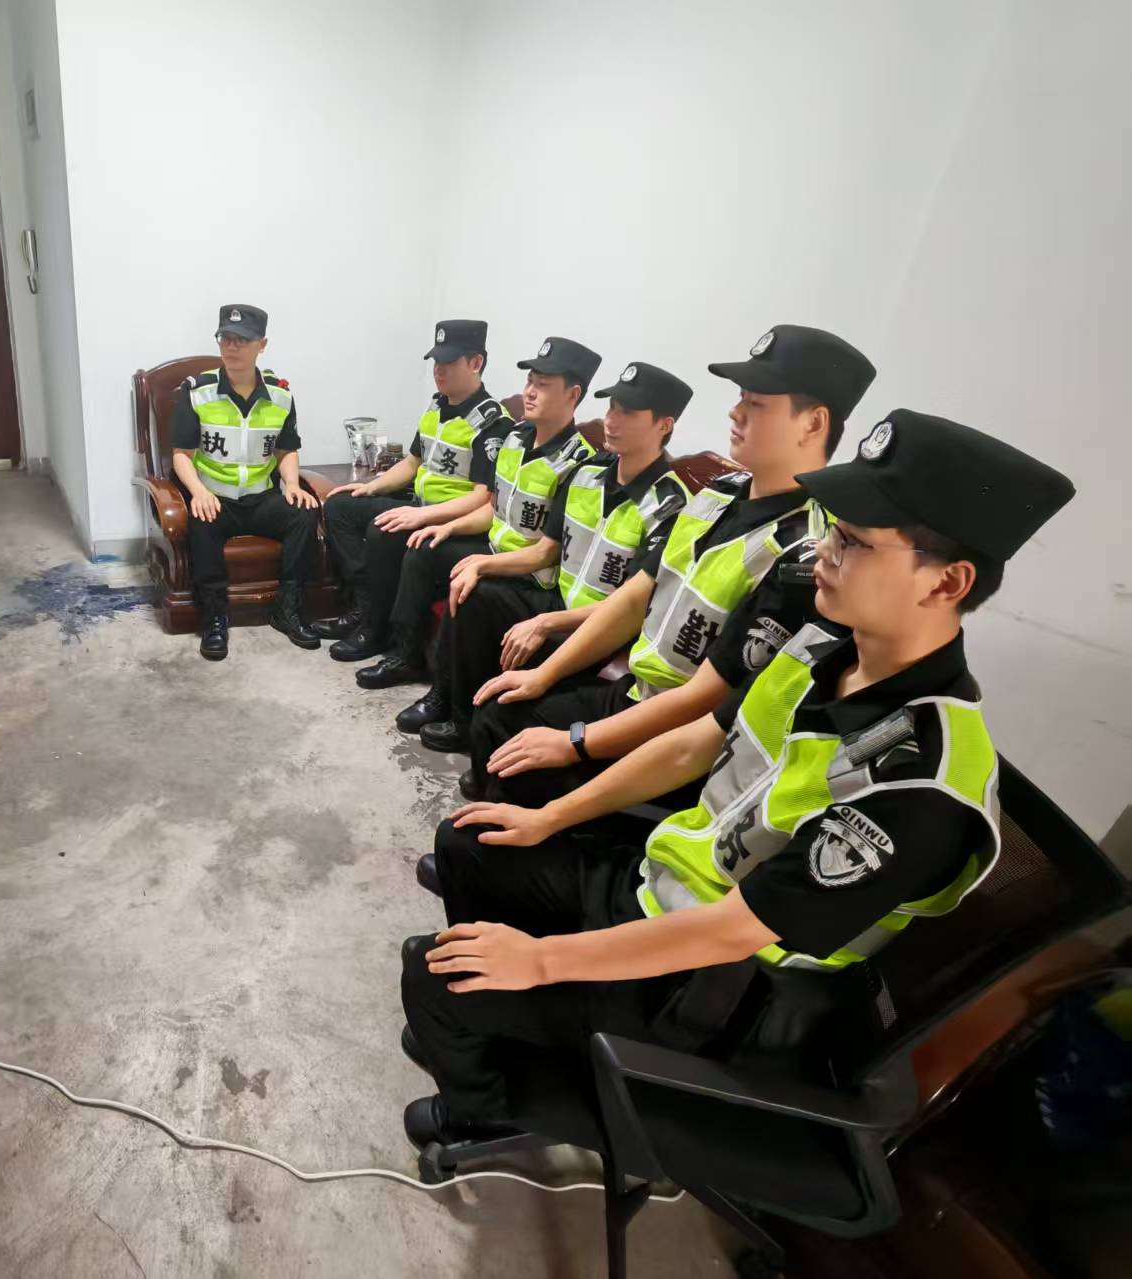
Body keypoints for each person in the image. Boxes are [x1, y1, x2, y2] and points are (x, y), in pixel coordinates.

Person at [398, 409, 1076, 1146]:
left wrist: (539, 960)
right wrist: (549, 818)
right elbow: (695, 745)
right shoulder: (822, 648)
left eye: (853, 542)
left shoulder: (923, 785)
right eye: (832, 531)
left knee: (432, 976)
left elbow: (733, 931)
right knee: (471, 843)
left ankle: (486, 1110)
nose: (823, 553)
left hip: (710, 989)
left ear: (948, 582)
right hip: (659, 888)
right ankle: (502, 1029)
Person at [457, 325, 876, 816]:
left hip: (683, 737)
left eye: (756, 403)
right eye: (740, 398)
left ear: (812, 423)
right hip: (637, 691)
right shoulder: (716, 496)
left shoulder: (803, 556)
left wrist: (576, 742)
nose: (735, 412)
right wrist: (543, 675)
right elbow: (636, 596)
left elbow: (706, 701)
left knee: (526, 765)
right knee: (502, 713)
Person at [412, 361, 693, 753]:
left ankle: (486, 726)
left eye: (628, 413)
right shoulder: (588, 472)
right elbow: (548, 549)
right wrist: (481, 564)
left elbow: (631, 607)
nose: (611, 421)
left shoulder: (670, 506)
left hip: (603, 628)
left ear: (664, 425)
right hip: (558, 600)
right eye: (611, 408)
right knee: (474, 593)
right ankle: (458, 715)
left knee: (505, 696)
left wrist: (545, 623)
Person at [371, 336, 600, 703]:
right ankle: (405, 655)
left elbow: (548, 553)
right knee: (424, 545)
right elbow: (493, 507)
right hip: (493, 549)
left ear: (573, 395)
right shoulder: (516, 438)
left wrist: (483, 564)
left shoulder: (578, 464)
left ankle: (446, 695)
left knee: (470, 590)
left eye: (543, 385)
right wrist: (446, 527)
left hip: (529, 574)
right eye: (529, 382)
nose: (529, 392)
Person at [314, 320, 511, 671]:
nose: (438, 370)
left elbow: (484, 497)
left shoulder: (492, 423)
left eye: (448, 362)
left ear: (476, 363)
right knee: (340, 506)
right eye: (436, 362)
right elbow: (412, 462)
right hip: (420, 506)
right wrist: (369, 487)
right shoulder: (437, 407)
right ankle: (363, 606)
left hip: (453, 521)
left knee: (383, 530)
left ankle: (380, 633)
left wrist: (420, 516)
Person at [170, 304, 320, 660]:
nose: (231, 346)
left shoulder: (280, 395)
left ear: (261, 345)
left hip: (260, 498)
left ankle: (288, 607)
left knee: (304, 513)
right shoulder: (198, 392)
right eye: (225, 338)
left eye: (242, 340)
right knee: (201, 520)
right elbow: (181, 454)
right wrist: (198, 491)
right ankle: (215, 616)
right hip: (216, 496)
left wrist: (292, 484)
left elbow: (286, 449)